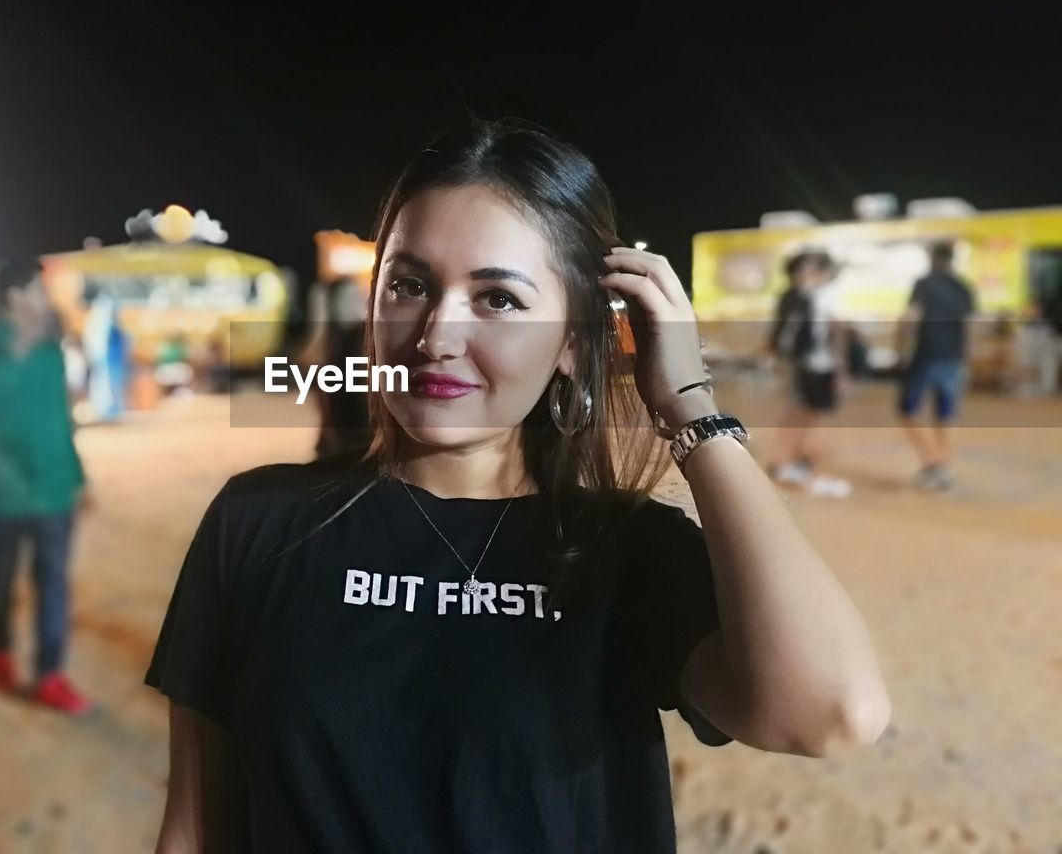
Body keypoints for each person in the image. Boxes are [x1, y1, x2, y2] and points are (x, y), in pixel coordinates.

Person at [145, 120, 889, 854]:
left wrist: (690, 405)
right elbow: (195, 828)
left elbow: (832, 712)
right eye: (409, 284)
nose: (436, 336)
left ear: (572, 340)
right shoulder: (259, 523)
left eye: (498, 299)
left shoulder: (623, 551)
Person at [0, 257, 93, 714]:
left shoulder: (51, 352)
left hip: (53, 494)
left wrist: (79, 478)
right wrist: (14, 356)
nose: (45, 299)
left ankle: (50, 674)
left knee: (53, 585)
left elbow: (61, 422)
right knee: (0, 583)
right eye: (38, 290)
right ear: (14, 296)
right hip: (3, 494)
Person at [767, 250, 852, 497]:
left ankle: (787, 464)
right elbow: (837, 335)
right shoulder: (818, 296)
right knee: (818, 419)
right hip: (814, 367)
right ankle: (815, 474)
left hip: (802, 365)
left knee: (800, 416)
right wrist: (842, 371)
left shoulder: (795, 296)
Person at [896, 241, 977, 491]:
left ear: (931, 257)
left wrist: (899, 348)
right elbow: (969, 325)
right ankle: (945, 468)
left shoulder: (924, 284)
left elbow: (910, 317)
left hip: (927, 355)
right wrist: (967, 358)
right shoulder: (964, 286)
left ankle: (933, 461)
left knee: (907, 410)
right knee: (946, 414)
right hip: (954, 357)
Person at [313, 276, 372, 459]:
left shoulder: (359, 339)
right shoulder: (339, 342)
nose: (358, 303)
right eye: (349, 298)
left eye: (358, 296)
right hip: (344, 448)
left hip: (349, 447)